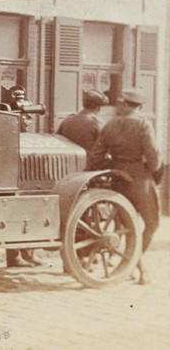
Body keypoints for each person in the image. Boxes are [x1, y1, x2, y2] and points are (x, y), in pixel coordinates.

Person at [88, 88, 162, 285]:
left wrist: (113, 166)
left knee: (127, 227)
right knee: (152, 224)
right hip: (141, 181)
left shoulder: (109, 125)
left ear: (124, 104)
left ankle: (134, 265)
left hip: (118, 181)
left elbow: (95, 157)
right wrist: (150, 168)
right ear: (139, 106)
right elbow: (154, 157)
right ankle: (136, 265)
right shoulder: (143, 124)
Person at [6, 86, 42, 268]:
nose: (28, 120)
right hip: (14, 184)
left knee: (30, 217)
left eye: (29, 117)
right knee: (16, 218)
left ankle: (29, 254)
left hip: (26, 184)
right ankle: (14, 257)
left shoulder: (28, 137)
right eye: (24, 116)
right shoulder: (7, 137)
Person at [56, 89, 108, 164]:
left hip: (67, 164)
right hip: (89, 168)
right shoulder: (98, 124)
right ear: (98, 107)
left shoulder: (67, 121)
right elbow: (106, 148)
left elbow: (58, 141)